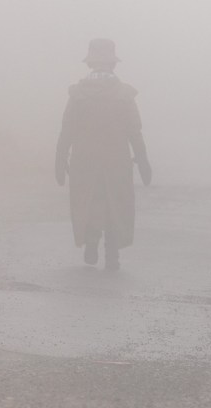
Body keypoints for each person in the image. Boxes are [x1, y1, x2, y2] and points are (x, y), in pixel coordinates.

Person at [55, 39, 152, 271]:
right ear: (113, 65)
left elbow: (67, 129)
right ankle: (112, 255)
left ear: (90, 64)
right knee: (115, 205)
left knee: (87, 202)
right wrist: (143, 160)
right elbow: (134, 131)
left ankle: (91, 241)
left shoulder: (77, 94)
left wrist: (60, 159)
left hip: (83, 161)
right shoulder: (124, 94)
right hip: (116, 161)